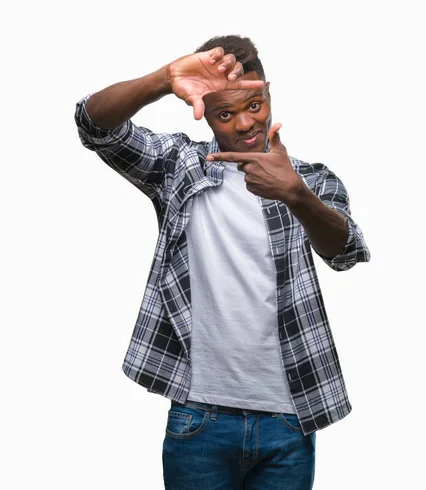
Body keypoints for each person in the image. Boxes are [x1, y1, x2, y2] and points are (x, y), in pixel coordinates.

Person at [74, 34, 371, 490]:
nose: (245, 123)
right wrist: (162, 79)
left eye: (253, 104)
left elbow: (346, 252)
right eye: (225, 113)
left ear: (268, 94)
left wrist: (297, 195)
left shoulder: (310, 180)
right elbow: (94, 126)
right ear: (206, 113)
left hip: (289, 420)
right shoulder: (180, 166)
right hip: (199, 417)